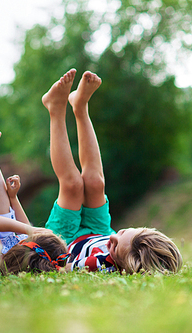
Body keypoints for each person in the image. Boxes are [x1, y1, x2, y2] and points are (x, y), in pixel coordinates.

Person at [42, 69, 182, 274]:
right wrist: (111, 238)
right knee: (95, 184)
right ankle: (80, 107)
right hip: (99, 230)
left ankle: (55, 107)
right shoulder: (112, 237)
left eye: (115, 246)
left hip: (65, 240)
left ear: (125, 264)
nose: (113, 238)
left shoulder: (102, 265)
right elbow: (113, 236)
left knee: (72, 186)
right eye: (123, 232)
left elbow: (60, 267)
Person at [0, 133, 69, 273]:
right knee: (4, 210)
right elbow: (23, 224)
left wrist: (31, 230)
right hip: (1, 236)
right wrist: (13, 198)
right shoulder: (25, 251)